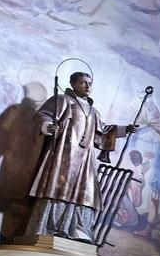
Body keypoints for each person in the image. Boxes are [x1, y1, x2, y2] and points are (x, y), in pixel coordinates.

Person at [24, 70, 126, 242]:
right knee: (58, 187)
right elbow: (42, 116)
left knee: (85, 191)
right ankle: (49, 229)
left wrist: (124, 130)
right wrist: (48, 126)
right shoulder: (63, 100)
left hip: (85, 158)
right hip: (64, 154)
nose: (88, 86)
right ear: (73, 84)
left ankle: (77, 230)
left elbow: (103, 131)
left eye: (90, 83)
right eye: (83, 82)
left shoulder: (94, 111)